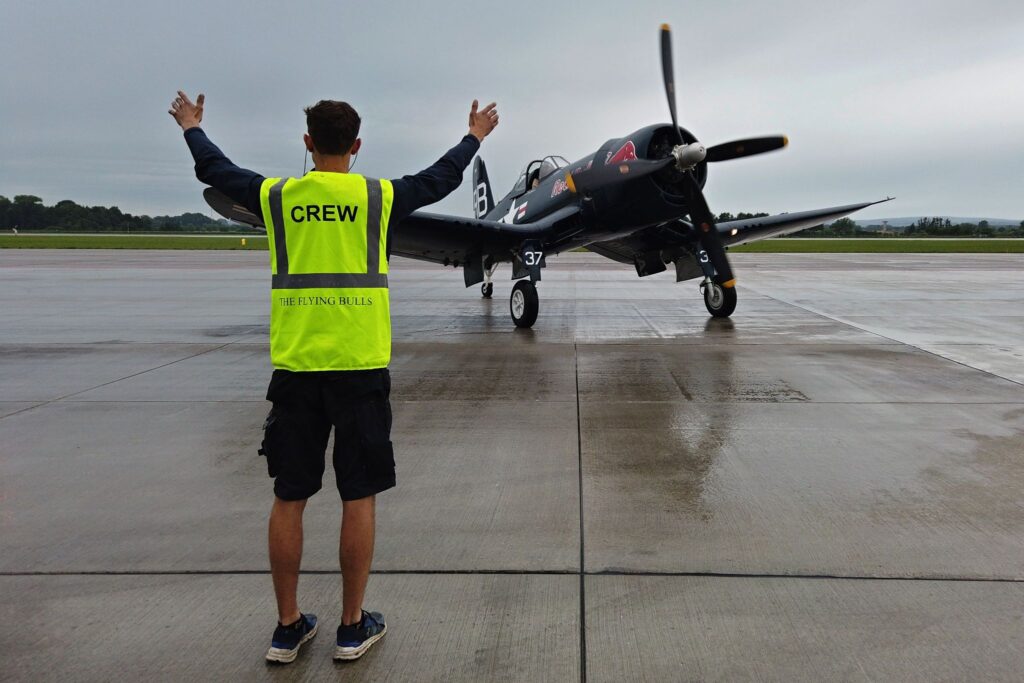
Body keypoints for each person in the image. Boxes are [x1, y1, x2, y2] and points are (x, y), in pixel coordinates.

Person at [168, 91, 498, 664]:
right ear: (357, 145)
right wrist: (475, 136)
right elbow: (439, 179)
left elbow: (216, 170)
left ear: (307, 142)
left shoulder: (278, 196)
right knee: (358, 494)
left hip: (297, 368)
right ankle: (351, 627)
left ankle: (287, 627)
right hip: (360, 368)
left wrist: (192, 127)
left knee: (289, 496)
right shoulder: (377, 196)